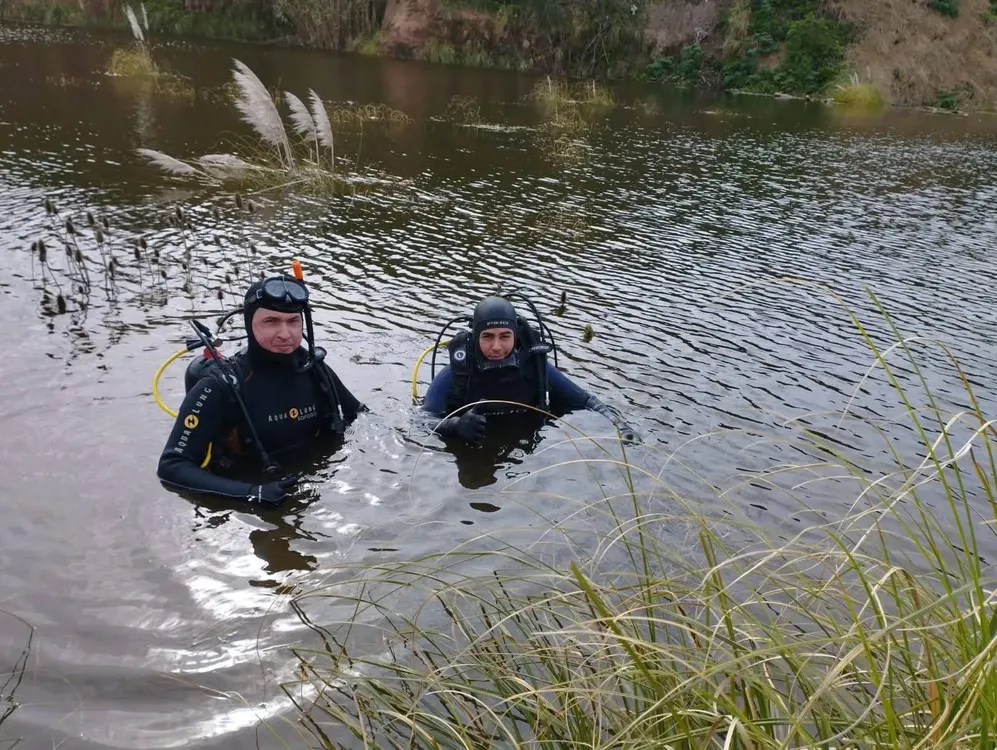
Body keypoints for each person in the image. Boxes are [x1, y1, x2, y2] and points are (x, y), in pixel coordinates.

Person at [157, 274, 366, 506]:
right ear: (249, 323)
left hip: (319, 490)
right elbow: (171, 466)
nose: (285, 333)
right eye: (271, 321)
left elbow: (361, 415)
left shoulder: (315, 369)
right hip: (250, 491)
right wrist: (251, 493)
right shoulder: (220, 385)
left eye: (293, 321)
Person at [421, 295, 638, 446]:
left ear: (515, 336)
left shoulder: (535, 368)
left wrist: (621, 426)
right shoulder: (457, 374)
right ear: (475, 337)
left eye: (505, 336)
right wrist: (454, 426)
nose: (496, 346)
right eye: (487, 337)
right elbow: (421, 420)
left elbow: (587, 401)